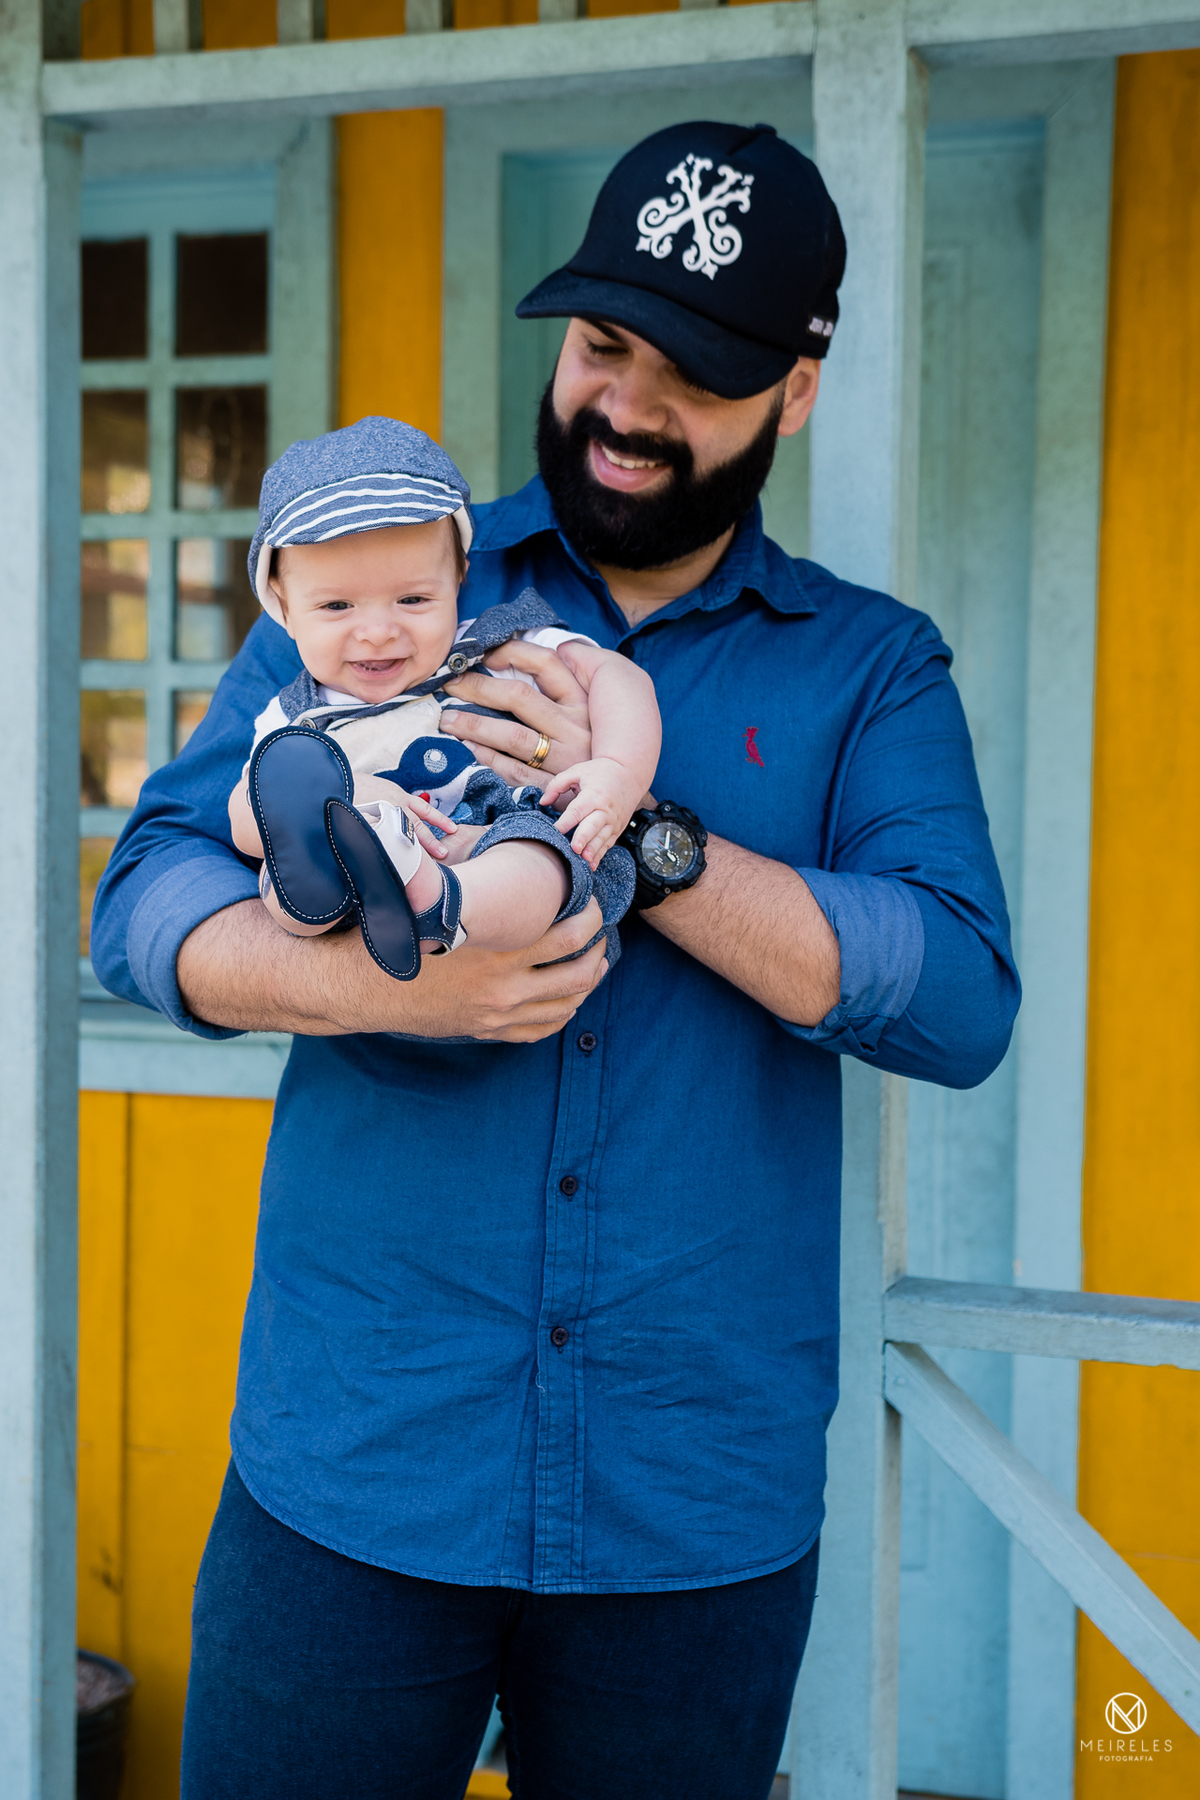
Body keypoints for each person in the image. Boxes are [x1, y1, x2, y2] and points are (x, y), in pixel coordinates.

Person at [91, 119, 1019, 1799]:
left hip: (688, 1506)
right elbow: (148, 892)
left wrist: (632, 827)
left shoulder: (872, 671)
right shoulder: (391, 592)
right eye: (604, 345)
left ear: (795, 394)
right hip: (357, 1469)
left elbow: (955, 996)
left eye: (698, 373)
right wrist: (373, 984)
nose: (627, 406)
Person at [228, 417, 656, 977]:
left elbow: (619, 677)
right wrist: (348, 794)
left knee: (540, 858)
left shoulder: (493, 647)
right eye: (337, 607)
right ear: (282, 609)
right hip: (364, 894)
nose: (378, 631)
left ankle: (444, 905)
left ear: (458, 578)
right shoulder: (296, 717)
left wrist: (620, 772)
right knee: (281, 864)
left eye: (411, 599)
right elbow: (247, 809)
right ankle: (317, 898)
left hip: (484, 842)